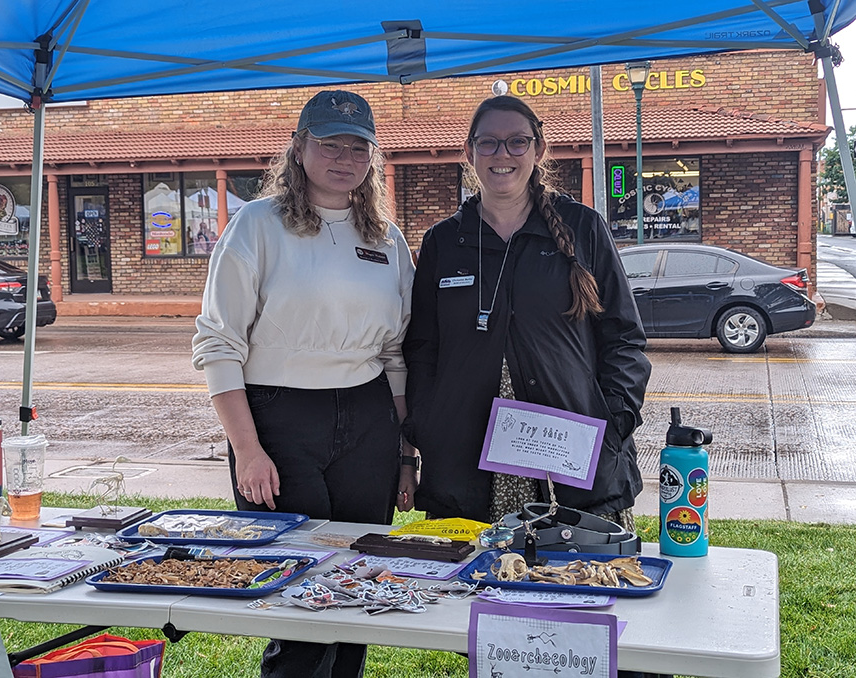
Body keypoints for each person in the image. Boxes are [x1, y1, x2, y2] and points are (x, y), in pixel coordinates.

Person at [403, 94, 658, 678]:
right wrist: (428, 428)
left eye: (517, 141)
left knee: (587, 605)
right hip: (470, 463)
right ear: (469, 153)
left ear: (538, 149)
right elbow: (422, 348)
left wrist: (611, 427)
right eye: (488, 142)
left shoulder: (582, 228)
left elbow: (624, 341)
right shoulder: (445, 241)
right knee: (489, 616)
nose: (503, 154)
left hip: (573, 457)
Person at [192, 89, 416, 678]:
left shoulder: (386, 238)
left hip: (369, 420)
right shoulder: (256, 225)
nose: (343, 157)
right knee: (297, 598)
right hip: (278, 420)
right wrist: (246, 450)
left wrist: (404, 455)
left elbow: (397, 352)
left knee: (358, 584)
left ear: (371, 157)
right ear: (298, 148)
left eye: (357, 146)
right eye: (328, 143)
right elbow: (218, 343)